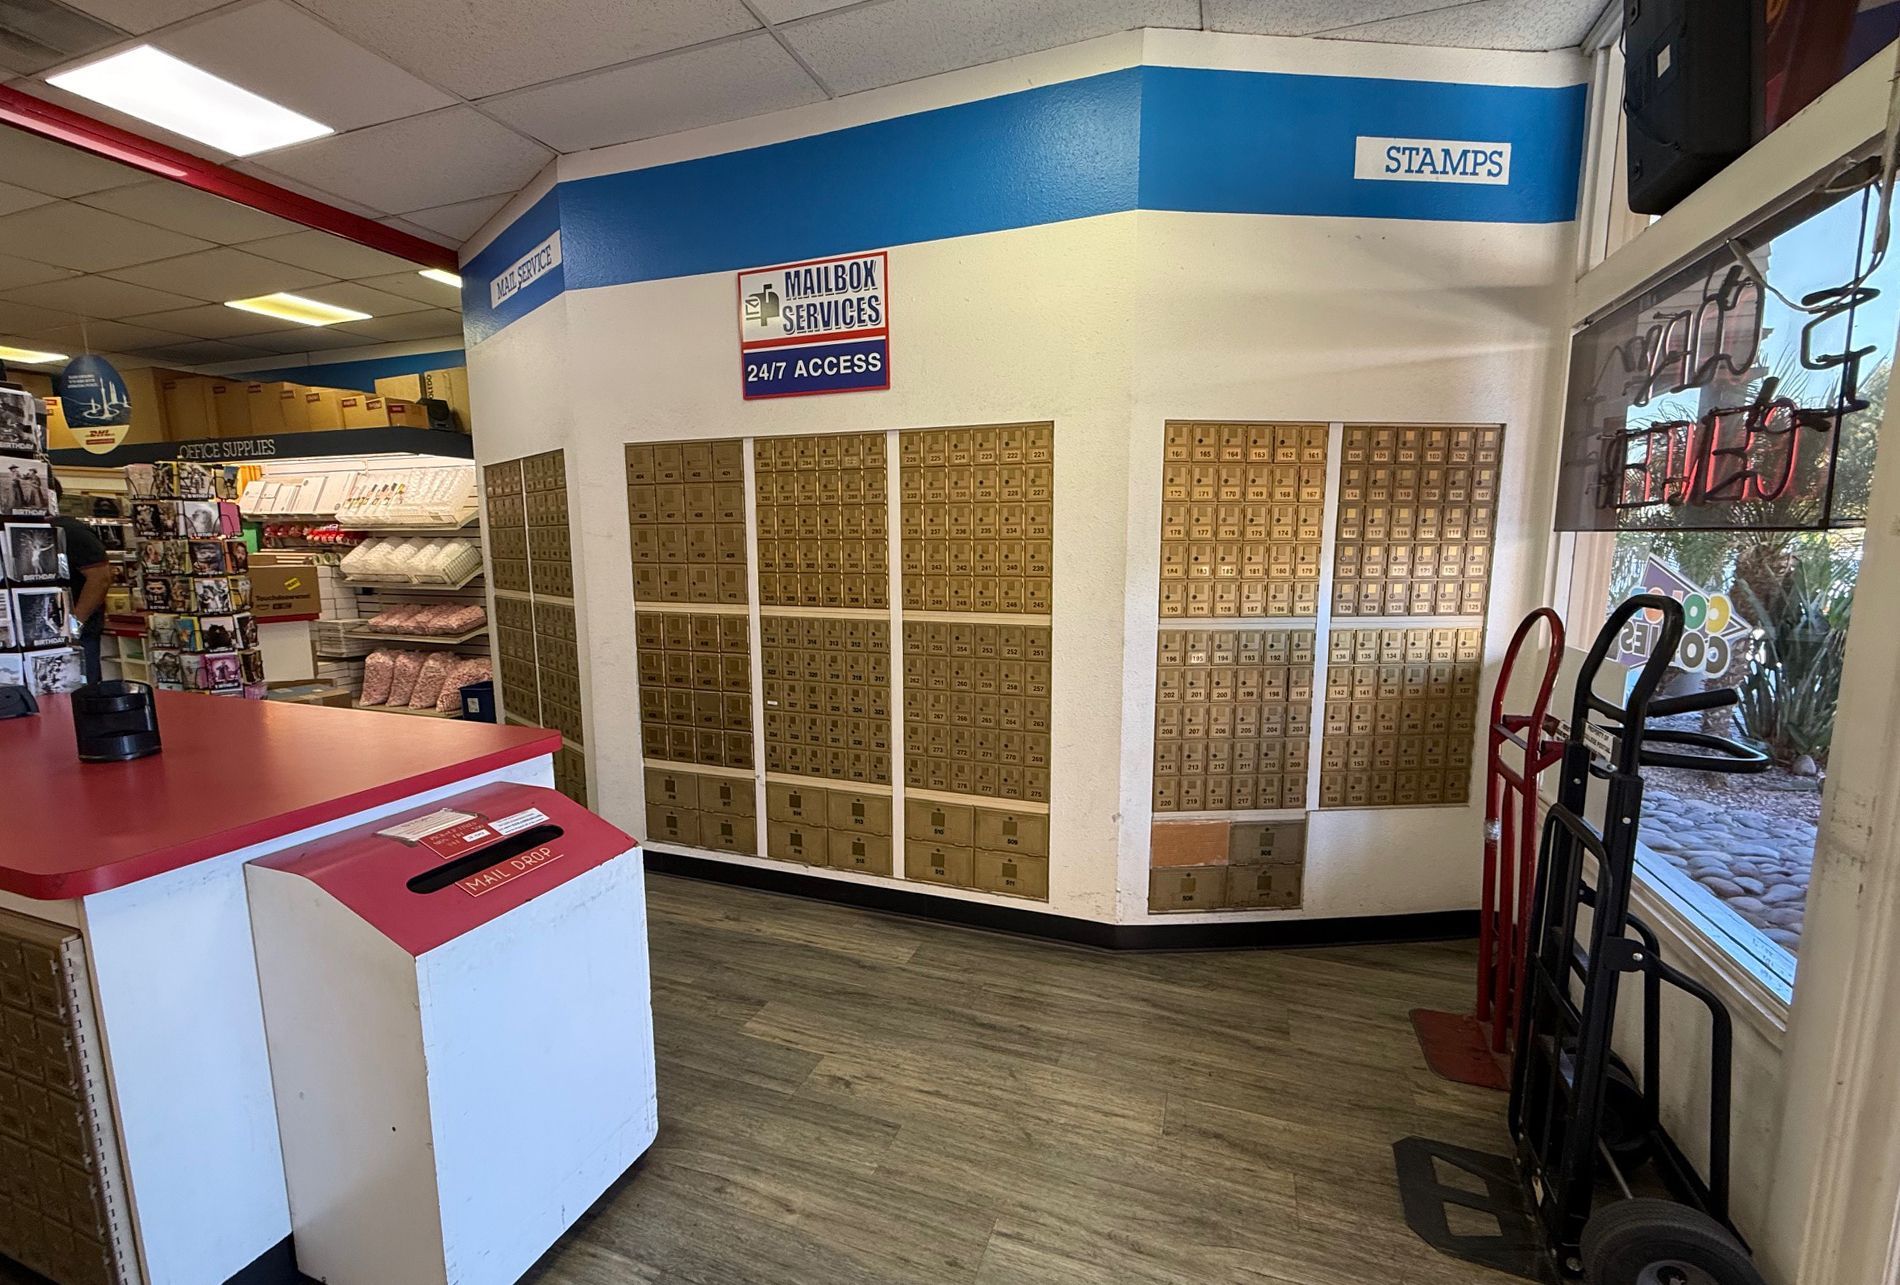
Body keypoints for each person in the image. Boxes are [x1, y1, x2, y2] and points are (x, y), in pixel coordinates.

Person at [48, 476, 112, 685]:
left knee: (80, 693)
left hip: (77, 635)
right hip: (49, 631)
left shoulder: (71, 531)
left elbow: (100, 579)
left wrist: (75, 624)